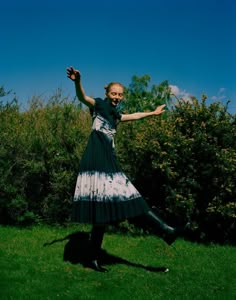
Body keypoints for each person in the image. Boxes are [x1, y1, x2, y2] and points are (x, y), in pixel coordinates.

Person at [66, 66, 184, 272]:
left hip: (108, 160)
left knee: (102, 212)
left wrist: (153, 113)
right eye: (114, 93)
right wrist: (77, 81)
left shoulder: (116, 115)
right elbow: (82, 97)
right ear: (107, 94)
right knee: (128, 194)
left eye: (120, 95)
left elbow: (135, 115)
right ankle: (166, 230)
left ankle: (93, 258)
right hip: (96, 161)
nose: (117, 97)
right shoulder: (99, 105)